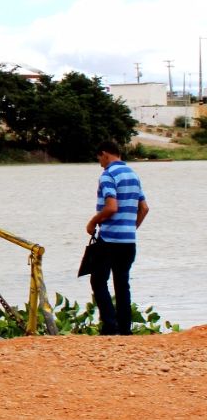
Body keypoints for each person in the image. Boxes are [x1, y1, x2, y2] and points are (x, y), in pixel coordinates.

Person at [86, 140, 149, 336]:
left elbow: (111, 207)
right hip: (128, 241)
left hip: (109, 239)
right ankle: (125, 329)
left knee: (98, 280)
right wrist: (132, 227)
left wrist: (93, 221)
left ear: (105, 154)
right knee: (122, 283)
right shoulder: (133, 175)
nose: (99, 162)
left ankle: (110, 326)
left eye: (99, 158)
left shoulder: (108, 175)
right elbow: (144, 208)